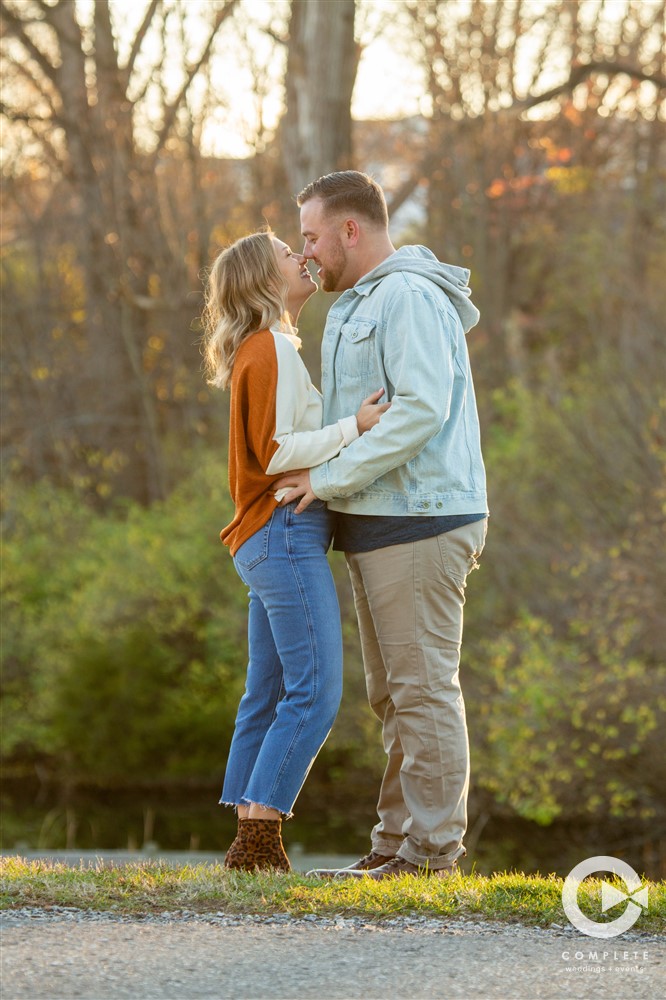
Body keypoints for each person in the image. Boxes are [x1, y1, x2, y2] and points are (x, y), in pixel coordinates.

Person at [276, 171, 488, 880]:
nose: (307, 254)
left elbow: (420, 410)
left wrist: (326, 481)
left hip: (420, 521)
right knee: (395, 695)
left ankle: (433, 857)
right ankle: (396, 844)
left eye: (312, 237)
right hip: (378, 522)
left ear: (350, 230)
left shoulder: (406, 298)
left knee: (424, 690)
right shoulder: (359, 303)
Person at [201, 228, 389, 872]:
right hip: (282, 533)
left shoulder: (265, 347)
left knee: (270, 690)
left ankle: (249, 841)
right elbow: (278, 452)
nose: (301, 256)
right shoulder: (272, 349)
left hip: (264, 537)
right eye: (288, 252)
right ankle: (258, 840)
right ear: (264, 277)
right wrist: (354, 428)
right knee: (315, 692)